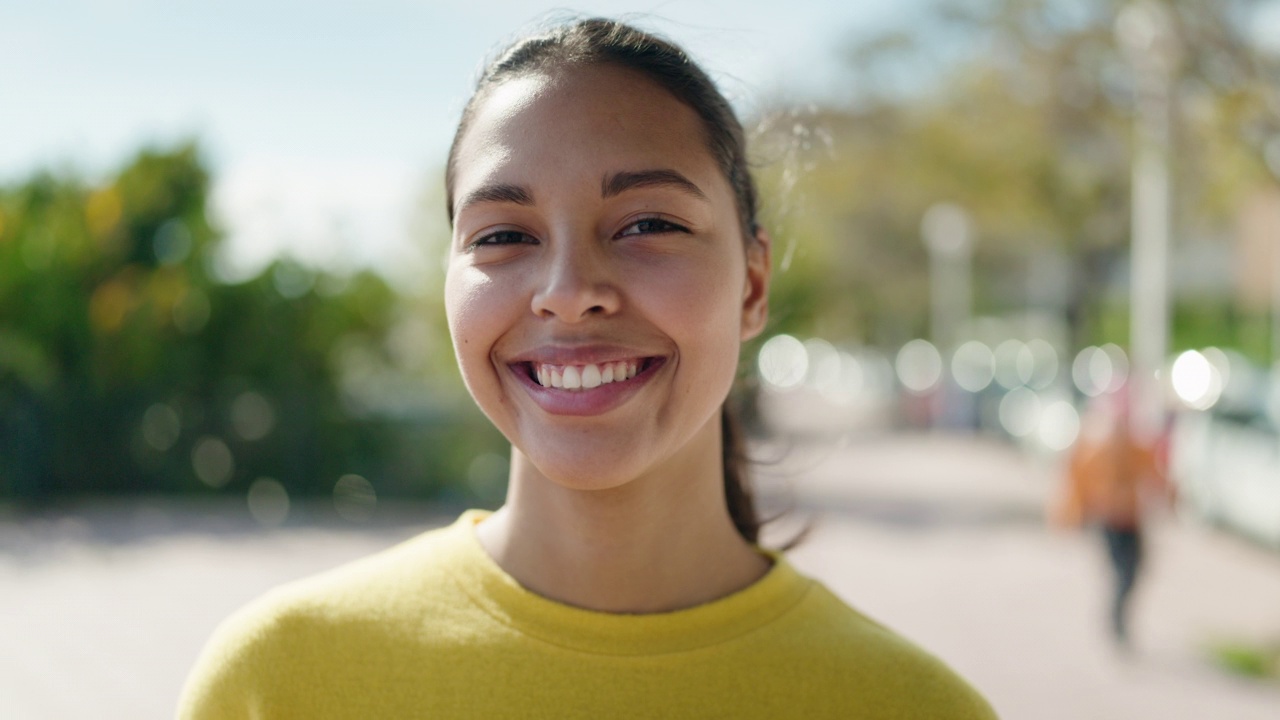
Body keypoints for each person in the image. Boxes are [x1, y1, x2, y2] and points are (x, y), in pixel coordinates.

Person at [179, 18, 997, 718]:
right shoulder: (280, 682)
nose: (569, 294)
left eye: (645, 223)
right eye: (503, 235)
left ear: (752, 284)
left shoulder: (914, 707)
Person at [1053, 390, 1171, 650]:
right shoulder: (1097, 448)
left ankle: (1118, 619)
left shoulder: (1136, 447)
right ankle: (1116, 622)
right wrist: (1072, 515)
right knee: (1121, 574)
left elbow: (1156, 474)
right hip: (1109, 522)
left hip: (1131, 519)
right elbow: (1076, 481)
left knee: (1134, 572)